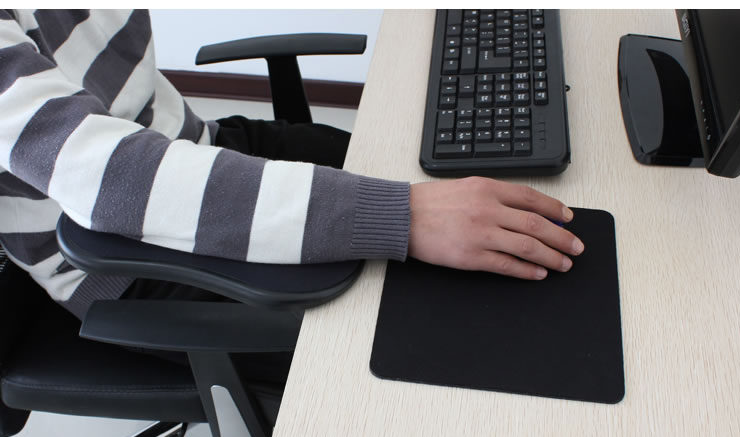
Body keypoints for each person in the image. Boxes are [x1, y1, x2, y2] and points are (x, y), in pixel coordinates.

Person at [0, 9, 584, 324]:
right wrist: (402, 215)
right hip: (111, 249)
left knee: (431, 186)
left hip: (196, 146)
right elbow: (115, 181)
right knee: (433, 321)